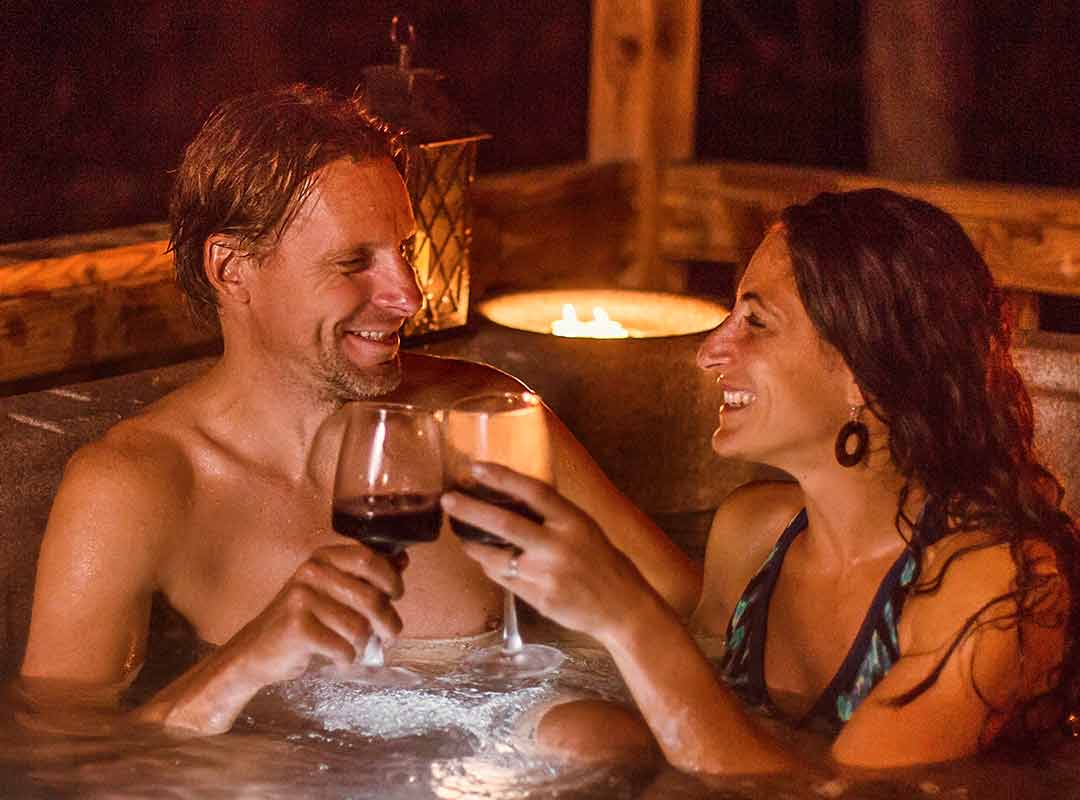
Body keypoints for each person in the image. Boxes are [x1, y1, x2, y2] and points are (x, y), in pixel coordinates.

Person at [17, 84, 698, 735]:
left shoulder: (481, 422)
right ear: (231, 270)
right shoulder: (135, 487)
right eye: (353, 263)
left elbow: (693, 621)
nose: (408, 295)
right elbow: (62, 760)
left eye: (403, 251)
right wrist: (243, 663)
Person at [444, 188, 1079, 772]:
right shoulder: (752, 537)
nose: (710, 351)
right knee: (575, 731)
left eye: (756, 323)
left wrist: (627, 617)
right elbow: (700, 718)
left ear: (867, 370)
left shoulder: (996, 584)